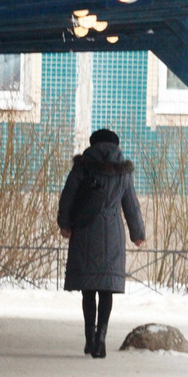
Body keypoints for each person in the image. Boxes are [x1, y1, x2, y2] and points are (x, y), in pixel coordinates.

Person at [57, 127, 147, 357]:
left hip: (85, 231)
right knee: (106, 289)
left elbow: (68, 196)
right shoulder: (123, 172)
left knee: (89, 289)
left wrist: (65, 223)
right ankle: (101, 338)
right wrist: (138, 233)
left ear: (92, 144)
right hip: (112, 234)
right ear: (116, 146)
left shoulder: (83, 167)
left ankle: (89, 337)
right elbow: (131, 204)